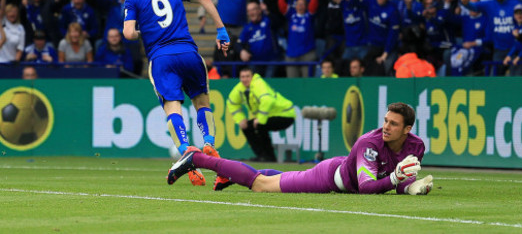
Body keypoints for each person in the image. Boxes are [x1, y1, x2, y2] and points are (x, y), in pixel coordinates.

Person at [167, 102, 433, 196]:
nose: (386, 126)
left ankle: (230, 175)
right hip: (330, 178)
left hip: (342, 170)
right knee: (261, 185)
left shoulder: (416, 146)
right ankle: (198, 158)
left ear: (407, 129)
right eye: (386, 120)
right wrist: (398, 179)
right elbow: (367, 187)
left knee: (272, 177)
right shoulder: (369, 144)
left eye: (393, 124)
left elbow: (396, 181)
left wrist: (409, 186)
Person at [122, 0, 230, 188]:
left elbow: (129, 33)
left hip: (162, 59)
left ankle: (186, 152)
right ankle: (209, 142)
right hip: (190, 54)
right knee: (202, 104)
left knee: (173, 107)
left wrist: (146, 31)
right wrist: (221, 30)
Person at [226, 67, 296, 163]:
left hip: (286, 114)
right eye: (242, 77)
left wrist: (260, 119)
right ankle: (262, 155)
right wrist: (240, 119)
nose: (245, 79)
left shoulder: (258, 83)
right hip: (270, 115)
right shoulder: (240, 88)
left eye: (247, 76)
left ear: (252, 76)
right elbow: (231, 103)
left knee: (260, 125)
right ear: (239, 78)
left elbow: (267, 100)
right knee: (246, 126)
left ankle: (269, 157)